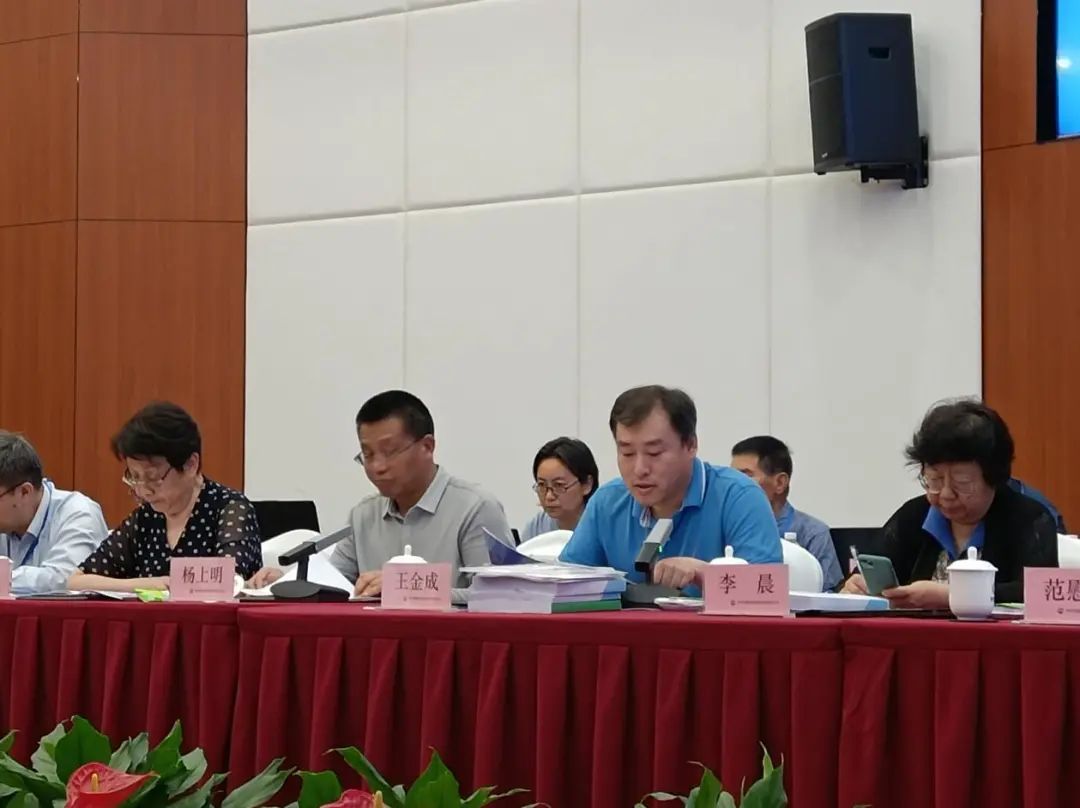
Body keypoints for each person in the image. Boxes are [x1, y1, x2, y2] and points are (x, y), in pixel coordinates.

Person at [250, 390, 513, 596]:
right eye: (367, 454)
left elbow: (502, 597)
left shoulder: (475, 508)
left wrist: (408, 588)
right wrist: (289, 583)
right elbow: (335, 584)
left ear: (427, 446)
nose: (377, 467)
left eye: (389, 452)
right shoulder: (363, 515)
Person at [559, 385, 780, 590]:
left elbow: (768, 591)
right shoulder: (607, 503)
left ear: (691, 445)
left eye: (654, 453)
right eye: (627, 453)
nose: (640, 469)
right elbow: (565, 587)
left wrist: (705, 574)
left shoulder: (739, 497)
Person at [841, 398, 1058, 605]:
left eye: (961, 483)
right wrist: (856, 586)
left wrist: (954, 596)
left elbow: (1038, 593)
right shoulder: (914, 515)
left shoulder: (1029, 518)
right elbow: (870, 570)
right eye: (934, 480)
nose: (945, 493)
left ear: (994, 477)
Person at [68, 402, 262, 592]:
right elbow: (76, 581)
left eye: (153, 477)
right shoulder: (145, 518)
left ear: (190, 465)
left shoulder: (230, 509)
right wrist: (147, 584)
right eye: (134, 477)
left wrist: (168, 585)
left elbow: (228, 582)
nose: (143, 491)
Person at [731, 435, 843, 590]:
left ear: (780, 482)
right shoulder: (727, 528)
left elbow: (829, 596)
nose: (733, 484)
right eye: (731, 476)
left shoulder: (813, 533)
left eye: (745, 476)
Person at [0, 432, 108, 593]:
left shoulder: (79, 513)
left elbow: (65, 580)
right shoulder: (7, 522)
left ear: (24, 492)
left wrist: (4, 579)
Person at [521, 437, 599, 540]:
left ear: (587, 484)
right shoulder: (536, 527)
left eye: (559, 485)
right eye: (542, 485)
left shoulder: (604, 526)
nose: (549, 496)